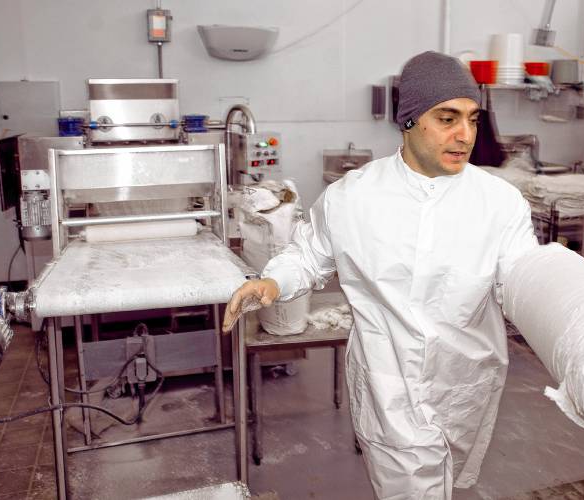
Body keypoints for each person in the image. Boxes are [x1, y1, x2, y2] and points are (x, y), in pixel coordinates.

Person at [223, 51, 539, 499]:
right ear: (408, 121)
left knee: (447, 481)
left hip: (468, 381)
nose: (464, 135)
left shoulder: (500, 203)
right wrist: (273, 282)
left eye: (472, 119)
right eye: (447, 119)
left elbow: (525, 278)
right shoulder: (354, 197)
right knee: (411, 487)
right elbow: (309, 255)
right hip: (388, 381)